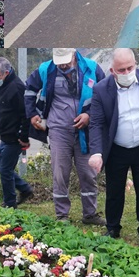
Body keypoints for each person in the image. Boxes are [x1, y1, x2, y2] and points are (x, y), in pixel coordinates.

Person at [89, 49, 139, 248]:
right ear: (112, 70)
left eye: (130, 68)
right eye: (121, 70)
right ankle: (113, 227)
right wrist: (97, 152)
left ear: (135, 64)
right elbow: (96, 123)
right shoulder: (101, 89)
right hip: (117, 149)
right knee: (114, 191)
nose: (126, 73)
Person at [25, 49, 106, 224]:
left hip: (86, 132)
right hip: (58, 129)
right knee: (60, 173)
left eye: (66, 62)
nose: (62, 65)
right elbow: (29, 90)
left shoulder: (92, 68)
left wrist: (89, 115)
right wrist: (32, 114)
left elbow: (106, 96)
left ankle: (90, 214)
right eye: (59, 62)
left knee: (88, 173)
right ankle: (62, 215)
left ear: (74, 55)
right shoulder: (46, 69)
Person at [0, 57, 33, 208]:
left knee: (5, 170)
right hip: (5, 136)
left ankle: (10, 204)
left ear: (6, 73)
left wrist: (23, 137)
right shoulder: (5, 84)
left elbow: (25, 115)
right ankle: (25, 188)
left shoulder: (16, 87)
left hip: (14, 138)